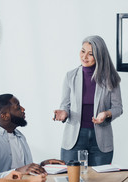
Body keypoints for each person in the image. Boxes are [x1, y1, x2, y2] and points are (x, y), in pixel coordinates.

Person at [53, 35, 123, 166]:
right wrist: (64, 113)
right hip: (74, 138)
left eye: (91, 54)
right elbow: (65, 105)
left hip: (101, 139)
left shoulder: (110, 78)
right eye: (83, 51)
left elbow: (118, 108)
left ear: (99, 56)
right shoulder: (70, 76)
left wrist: (106, 114)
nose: (84, 57)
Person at [0, 94, 64, 179]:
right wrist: (16, 172)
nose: (23, 109)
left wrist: (42, 165)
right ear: (4, 116)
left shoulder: (19, 136)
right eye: (18, 107)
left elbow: (25, 168)